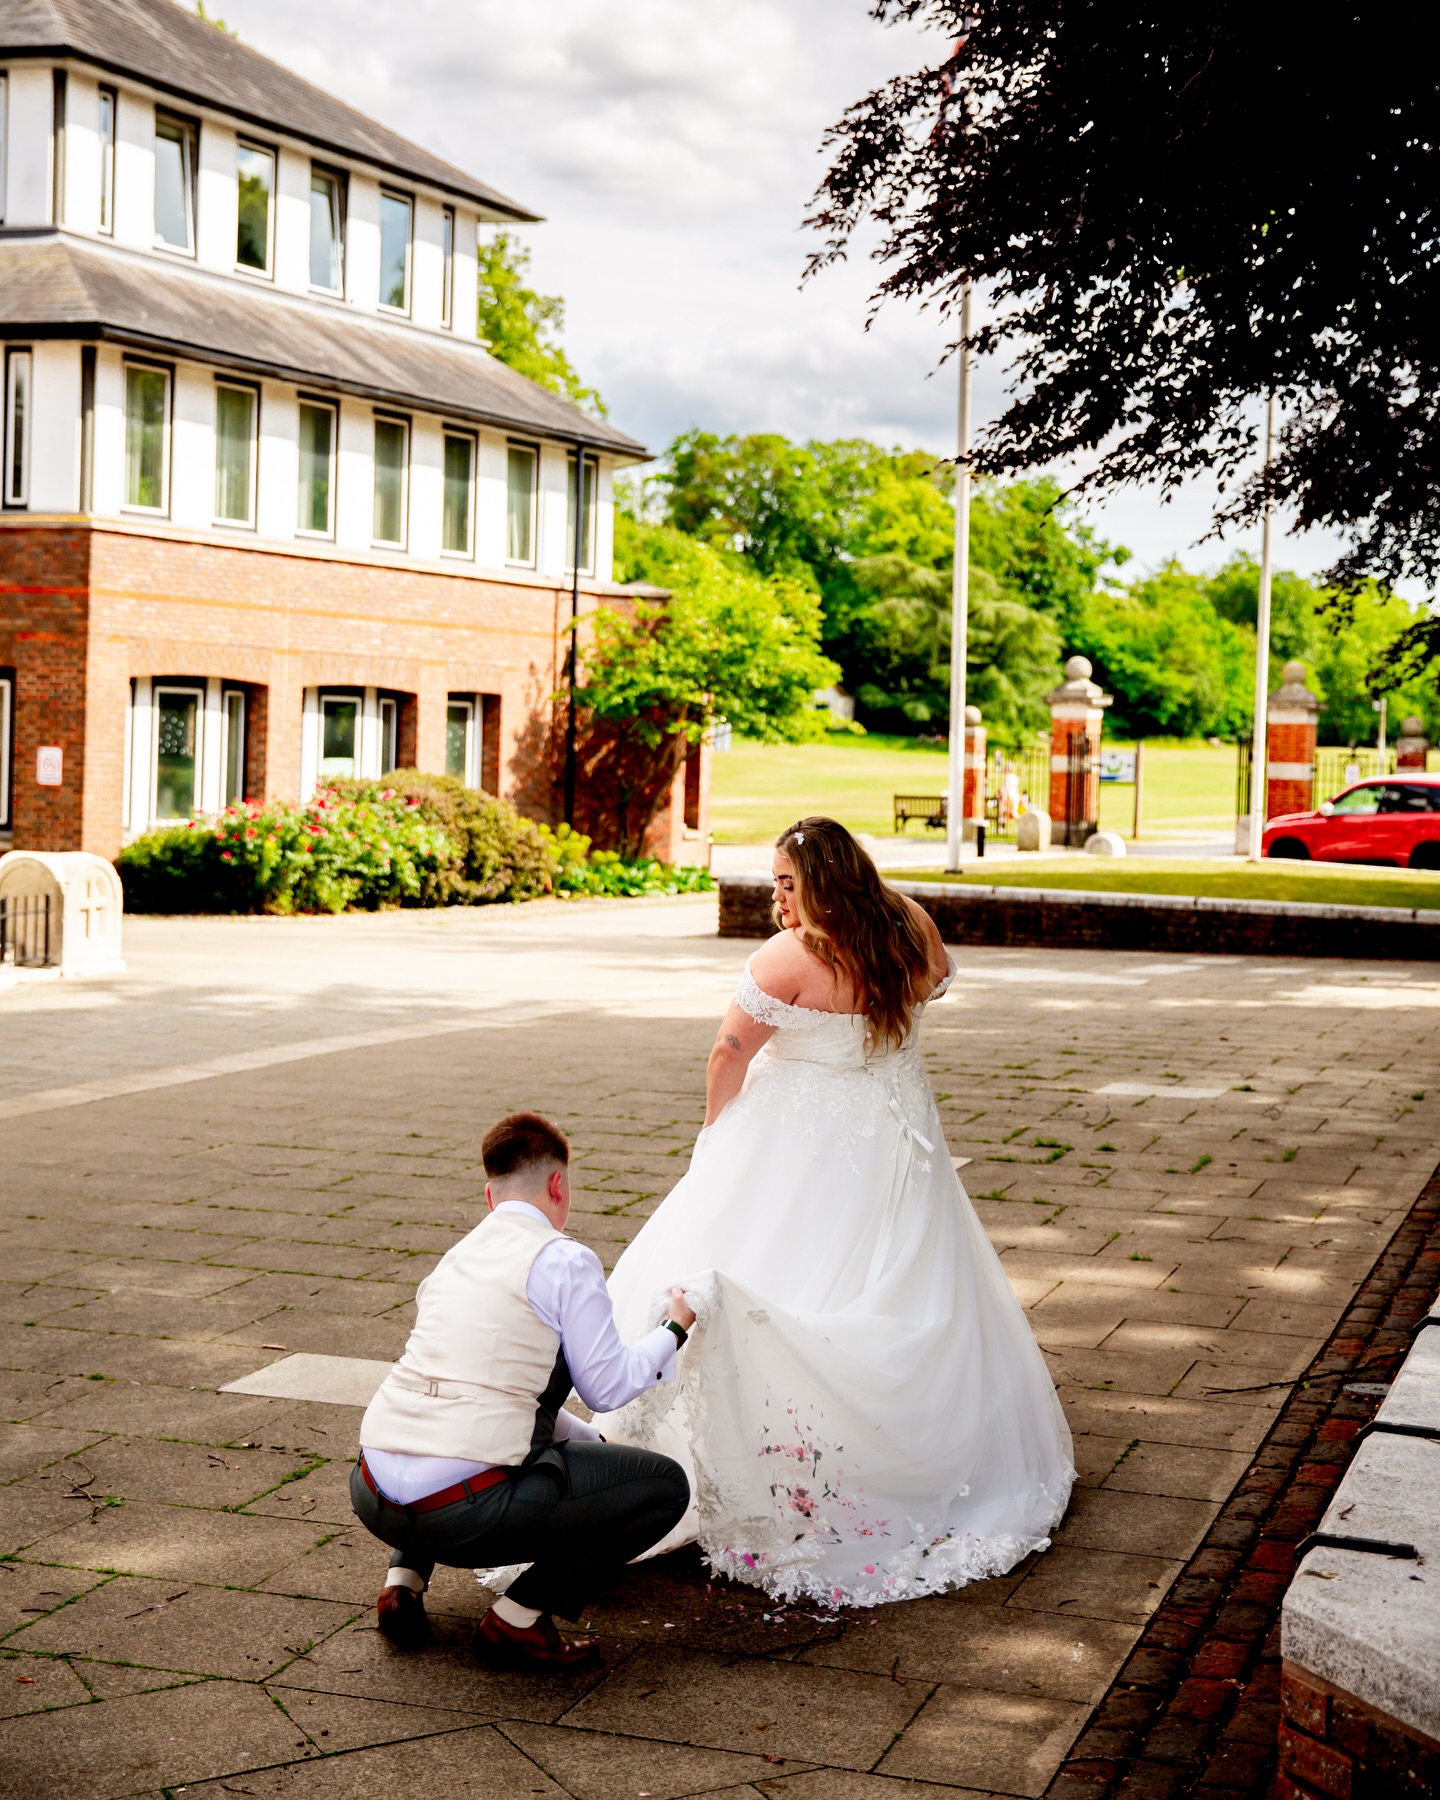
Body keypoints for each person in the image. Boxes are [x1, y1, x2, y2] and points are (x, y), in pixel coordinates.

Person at [597, 816, 1075, 1608]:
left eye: (787, 882)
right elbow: (940, 980)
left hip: (799, 1141)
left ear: (820, 883)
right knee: (905, 1275)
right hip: (897, 1138)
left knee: (771, 1261)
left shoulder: (792, 956)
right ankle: (895, 1447)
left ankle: (766, 1457)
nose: (777, 898)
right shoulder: (909, 925)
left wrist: (717, 1131)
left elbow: (729, 1051)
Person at [352, 1110, 694, 1671]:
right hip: (463, 1513)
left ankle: (402, 1583)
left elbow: (512, 1396)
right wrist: (673, 1329)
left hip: (372, 1494)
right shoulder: (563, 1258)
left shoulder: (455, 1260)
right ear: (557, 1184)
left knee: (448, 1420)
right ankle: (517, 1621)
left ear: (491, 1196)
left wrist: (590, 1443)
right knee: (664, 1488)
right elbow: (607, 1386)